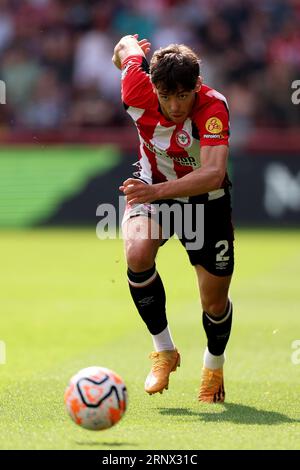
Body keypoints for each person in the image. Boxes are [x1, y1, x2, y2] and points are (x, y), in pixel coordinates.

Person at [112, 34, 234, 403]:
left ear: (197, 85)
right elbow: (123, 48)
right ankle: (164, 350)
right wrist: (130, 48)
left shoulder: (213, 108)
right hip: (152, 186)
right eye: (166, 96)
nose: (175, 105)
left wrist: (156, 193)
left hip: (205, 201)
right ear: (153, 86)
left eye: (183, 95)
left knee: (213, 303)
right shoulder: (136, 86)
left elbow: (213, 174)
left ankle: (213, 367)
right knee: (136, 254)